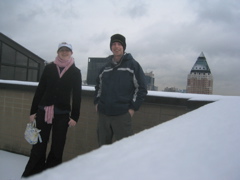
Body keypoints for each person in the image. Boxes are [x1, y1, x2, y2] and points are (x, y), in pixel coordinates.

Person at [22, 42, 82, 178]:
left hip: (62, 115)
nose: (64, 52)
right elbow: (40, 90)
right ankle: (33, 174)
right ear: (58, 52)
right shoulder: (49, 68)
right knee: (39, 146)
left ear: (71, 53)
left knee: (57, 147)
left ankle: (50, 175)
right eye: (62, 50)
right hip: (43, 112)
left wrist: (75, 116)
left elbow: (77, 96)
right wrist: (33, 112)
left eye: (67, 50)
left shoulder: (75, 72)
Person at [94, 34, 147, 146]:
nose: (116, 46)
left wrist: (133, 108)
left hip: (122, 115)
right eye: (113, 44)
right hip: (104, 114)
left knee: (125, 149)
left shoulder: (133, 65)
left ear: (123, 47)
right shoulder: (105, 67)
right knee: (102, 149)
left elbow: (141, 88)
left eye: (119, 44)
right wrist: (97, 102)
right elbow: (98, 86)